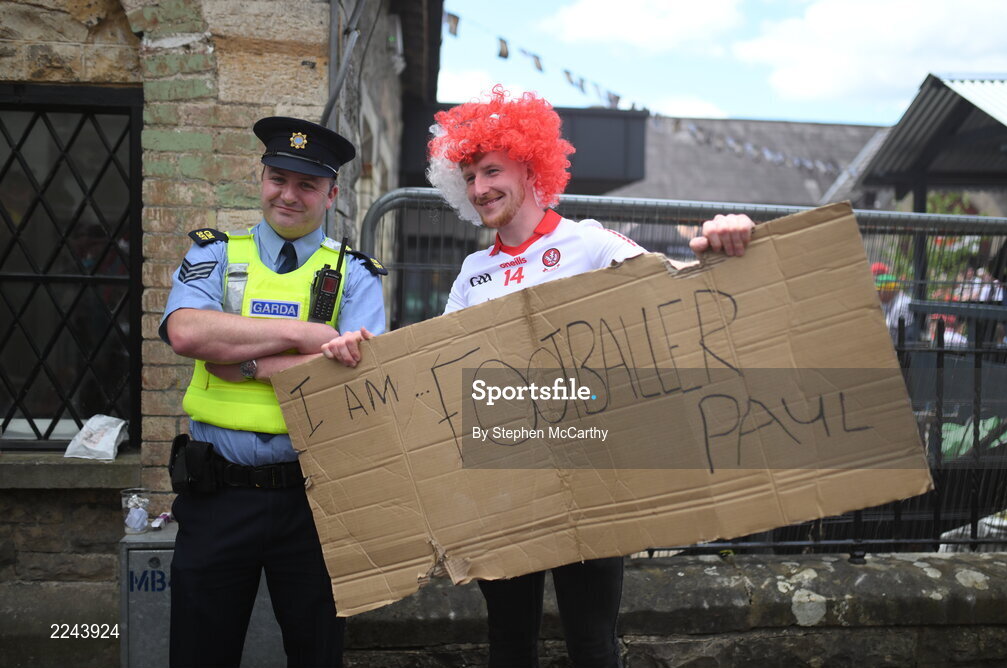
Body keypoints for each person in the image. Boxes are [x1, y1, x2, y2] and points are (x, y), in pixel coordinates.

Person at [426, 86, 755, 668]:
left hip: (592, 473)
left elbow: (676, 288)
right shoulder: (472, 272)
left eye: (493, 170)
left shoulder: (590, 241)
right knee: (508, 644)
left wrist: (722, 244)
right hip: (505, 480)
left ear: (530, 167)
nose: (480, 188)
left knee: (592, 644)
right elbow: (438, 366)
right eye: (469, 175)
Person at [160, 116, 386, 668]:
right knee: (200, 654)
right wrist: (305, 335)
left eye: (306, 185)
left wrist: (247, 358)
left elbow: (356, 374)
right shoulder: (215, 254)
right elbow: (188, 332)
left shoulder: (353, 274)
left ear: (331, 194)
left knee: (316, 654)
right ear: (260, 178)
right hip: (217, 494)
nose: (289, 195)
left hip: (311, 499)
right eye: (278, 178)